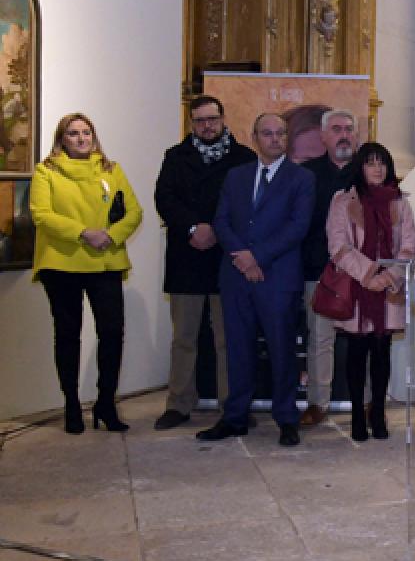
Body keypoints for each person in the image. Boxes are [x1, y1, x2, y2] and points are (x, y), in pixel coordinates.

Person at [197, 113, 315, 447]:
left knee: (281, 351)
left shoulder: (301, 178)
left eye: (280, 133)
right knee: (238, 350)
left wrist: (257, 257)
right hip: (236, 277)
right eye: (268, 133)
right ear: (255, 138)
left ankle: (286, 419)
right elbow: (221, 221)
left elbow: (298, 226)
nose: (275, 139)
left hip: (277, 277)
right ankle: (235, 417)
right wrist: (242, 257)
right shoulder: (235, 176)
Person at [30, 113, 144, 434]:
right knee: (68, 335)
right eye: (73, 133)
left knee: (111, 333)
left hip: (105, 260)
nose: (81, 138)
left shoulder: (111, 170)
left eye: (86, 132)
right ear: (61, 139)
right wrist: (83, 233)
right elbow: (41, 214)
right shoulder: (46, 171)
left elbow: (134, 211)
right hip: (62, 264)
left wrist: (110, 235)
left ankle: (106, 403)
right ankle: (71, 405)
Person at [152, 95, 256, 430]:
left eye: (212, 119)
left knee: (229, 338)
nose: (207, 126)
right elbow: (164, 199)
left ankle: (233, 404)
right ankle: (179, 403)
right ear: (191, 123)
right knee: (184, 337)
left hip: (228, 259)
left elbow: (248, 206)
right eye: (199, 121)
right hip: (187, 257)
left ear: (223, 119)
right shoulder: (175, 157)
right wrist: (194, 227)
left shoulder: (244, 158)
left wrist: (218, 231)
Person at [325, 143, 415, 442]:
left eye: (383, 163)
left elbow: (408, 247)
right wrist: (369, 274)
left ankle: (377, 412)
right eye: (371, 163)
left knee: (381, 352)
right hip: (357, 286)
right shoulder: (342, 200)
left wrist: (389, 274)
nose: (377, 169)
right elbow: (338, 246)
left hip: (388, 288)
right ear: (360, 168)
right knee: (356, 351)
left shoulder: (400, 202)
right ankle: (355, 415)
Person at [299, 109, 359, 426]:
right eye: (336, 129)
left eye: (349, 128)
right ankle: (318, 403)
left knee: (364, 338)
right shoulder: (306, 174)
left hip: (361, 272)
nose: (344, 134)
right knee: (320, 339)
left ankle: (364, 402)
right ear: (323, 137)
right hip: (319, 270)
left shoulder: (368, 173)